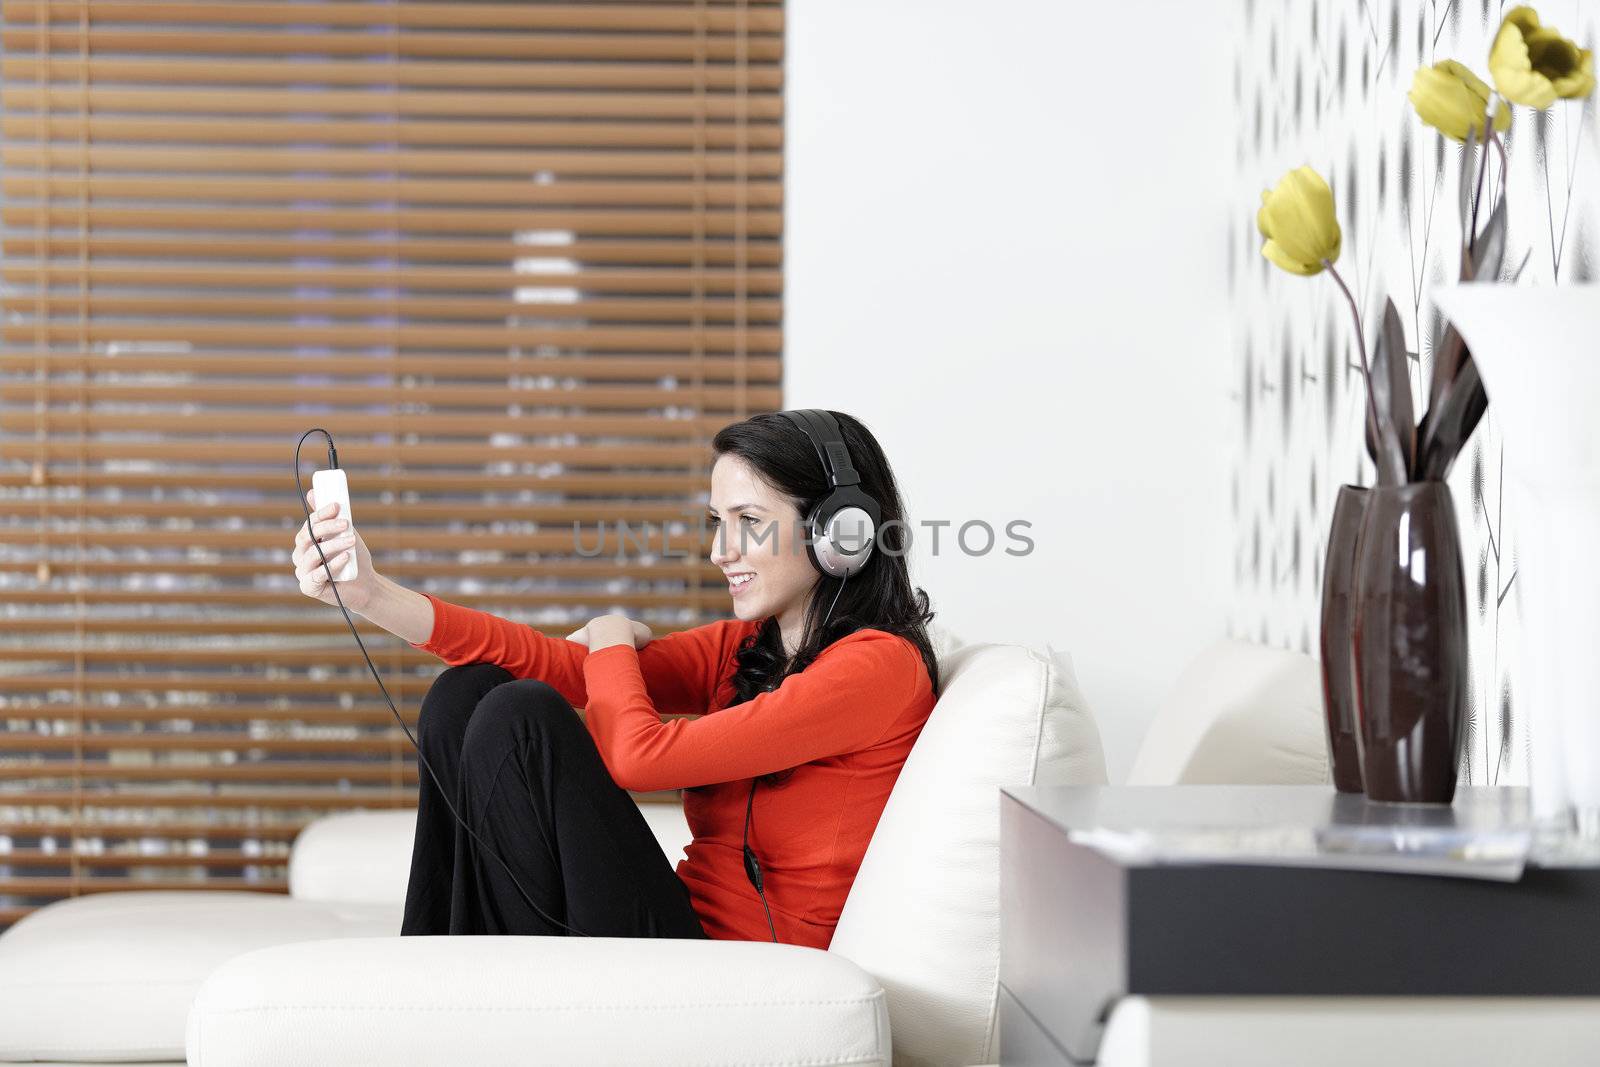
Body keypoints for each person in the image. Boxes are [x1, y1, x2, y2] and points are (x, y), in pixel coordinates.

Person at [288, 410, 940, 947]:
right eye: (718, 523)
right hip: (677, 928)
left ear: (843, 532)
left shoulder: (876, 666)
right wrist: (370, 593)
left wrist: (609, 629)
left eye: (749, 520)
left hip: (743, 972)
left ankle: (455, 986)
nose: (720, 551)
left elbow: (637, 755)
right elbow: (556, 665)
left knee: (521, 719)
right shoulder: (750, 646)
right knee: (469, 692)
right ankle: (432, 968)